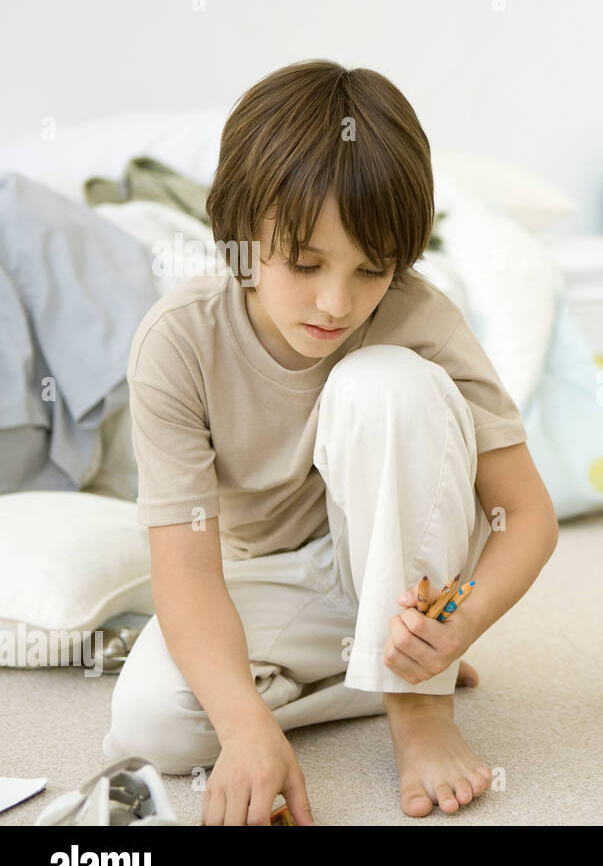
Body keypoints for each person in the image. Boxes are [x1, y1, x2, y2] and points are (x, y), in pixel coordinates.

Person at [101, 60, 559, 824]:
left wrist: (465, 614)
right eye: (305, 264)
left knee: (384, 381)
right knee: (153, 724)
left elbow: (528, 516)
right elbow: (186, 568)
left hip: (415, 562)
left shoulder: (421, 317)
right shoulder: (176, 343)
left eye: (372, 270)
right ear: (241, 236)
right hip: (286, 580)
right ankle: (377, 668)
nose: (336, 302)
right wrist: (245, 724)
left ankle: (416, 705)